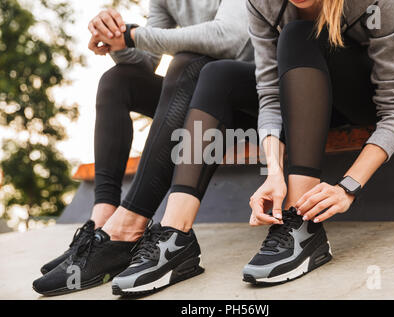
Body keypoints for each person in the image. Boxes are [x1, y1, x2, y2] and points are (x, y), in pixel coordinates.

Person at [108, 0, 394, 294]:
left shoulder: (379, 4)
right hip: (307, 99)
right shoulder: (263, 3)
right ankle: (175, 237)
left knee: (297, 33)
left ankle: (301, 222)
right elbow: (269, 96)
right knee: (216, 74)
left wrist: (347, 187)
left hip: (369, 100)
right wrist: (274, 172)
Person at [32, 0, 253, 296]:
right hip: (202, 100)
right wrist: (116, 39)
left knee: (191, 62)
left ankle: (127, 231)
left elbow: (228, 38)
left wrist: (133, 34)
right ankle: (102, 224)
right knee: (118, 80)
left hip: (253, 102)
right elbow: (146, 60)